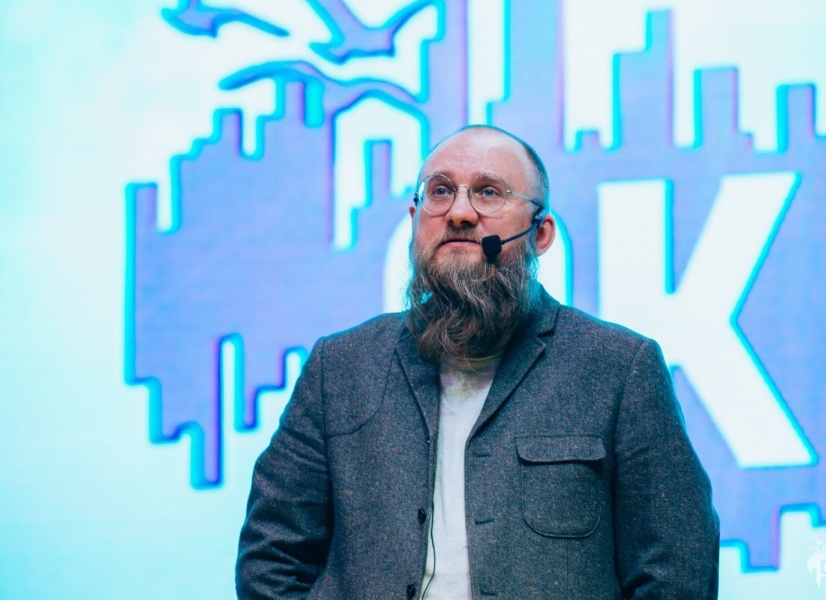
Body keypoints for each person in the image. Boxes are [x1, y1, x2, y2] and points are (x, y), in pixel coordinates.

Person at [236, 125, 719, 599]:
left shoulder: (618, 367)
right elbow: (271, 560)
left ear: (541, 233)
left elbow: (677, 570)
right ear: (415, 221)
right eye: (440, 192)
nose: (460, 213)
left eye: (489, 192)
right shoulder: (340, 367)